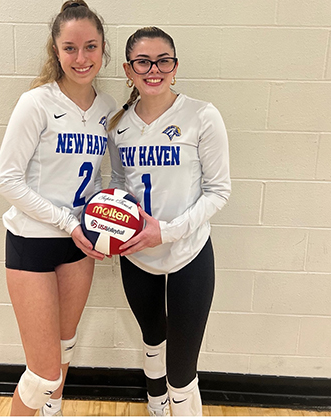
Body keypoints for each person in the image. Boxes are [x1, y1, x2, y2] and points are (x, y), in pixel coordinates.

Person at [0, 1, 116, 415]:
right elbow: (6, 179)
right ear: (56, 50)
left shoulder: (107, 108)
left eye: (90, 47)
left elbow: (102, 178)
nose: (81, 58)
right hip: (34, 243)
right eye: (70, 48)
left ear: (103, 49)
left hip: (79, 245)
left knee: (64, 351)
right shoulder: (36, 103)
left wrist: (109, 220)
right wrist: (68, 221)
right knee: (42, 374)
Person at [107, 27, 231, 416]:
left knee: (182, 371)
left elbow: (219, 190)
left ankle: (178, 404)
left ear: (175, 67)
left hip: (188, 251)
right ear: (129, 70)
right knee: (152, 339)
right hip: (137, 254)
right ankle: (156, 403)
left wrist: (168, 230)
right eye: (143, 61)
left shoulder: (202, 115)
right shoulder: (118, 125)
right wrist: (105, 226)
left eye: (163, 60)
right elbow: (116, 183)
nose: (153, 69)